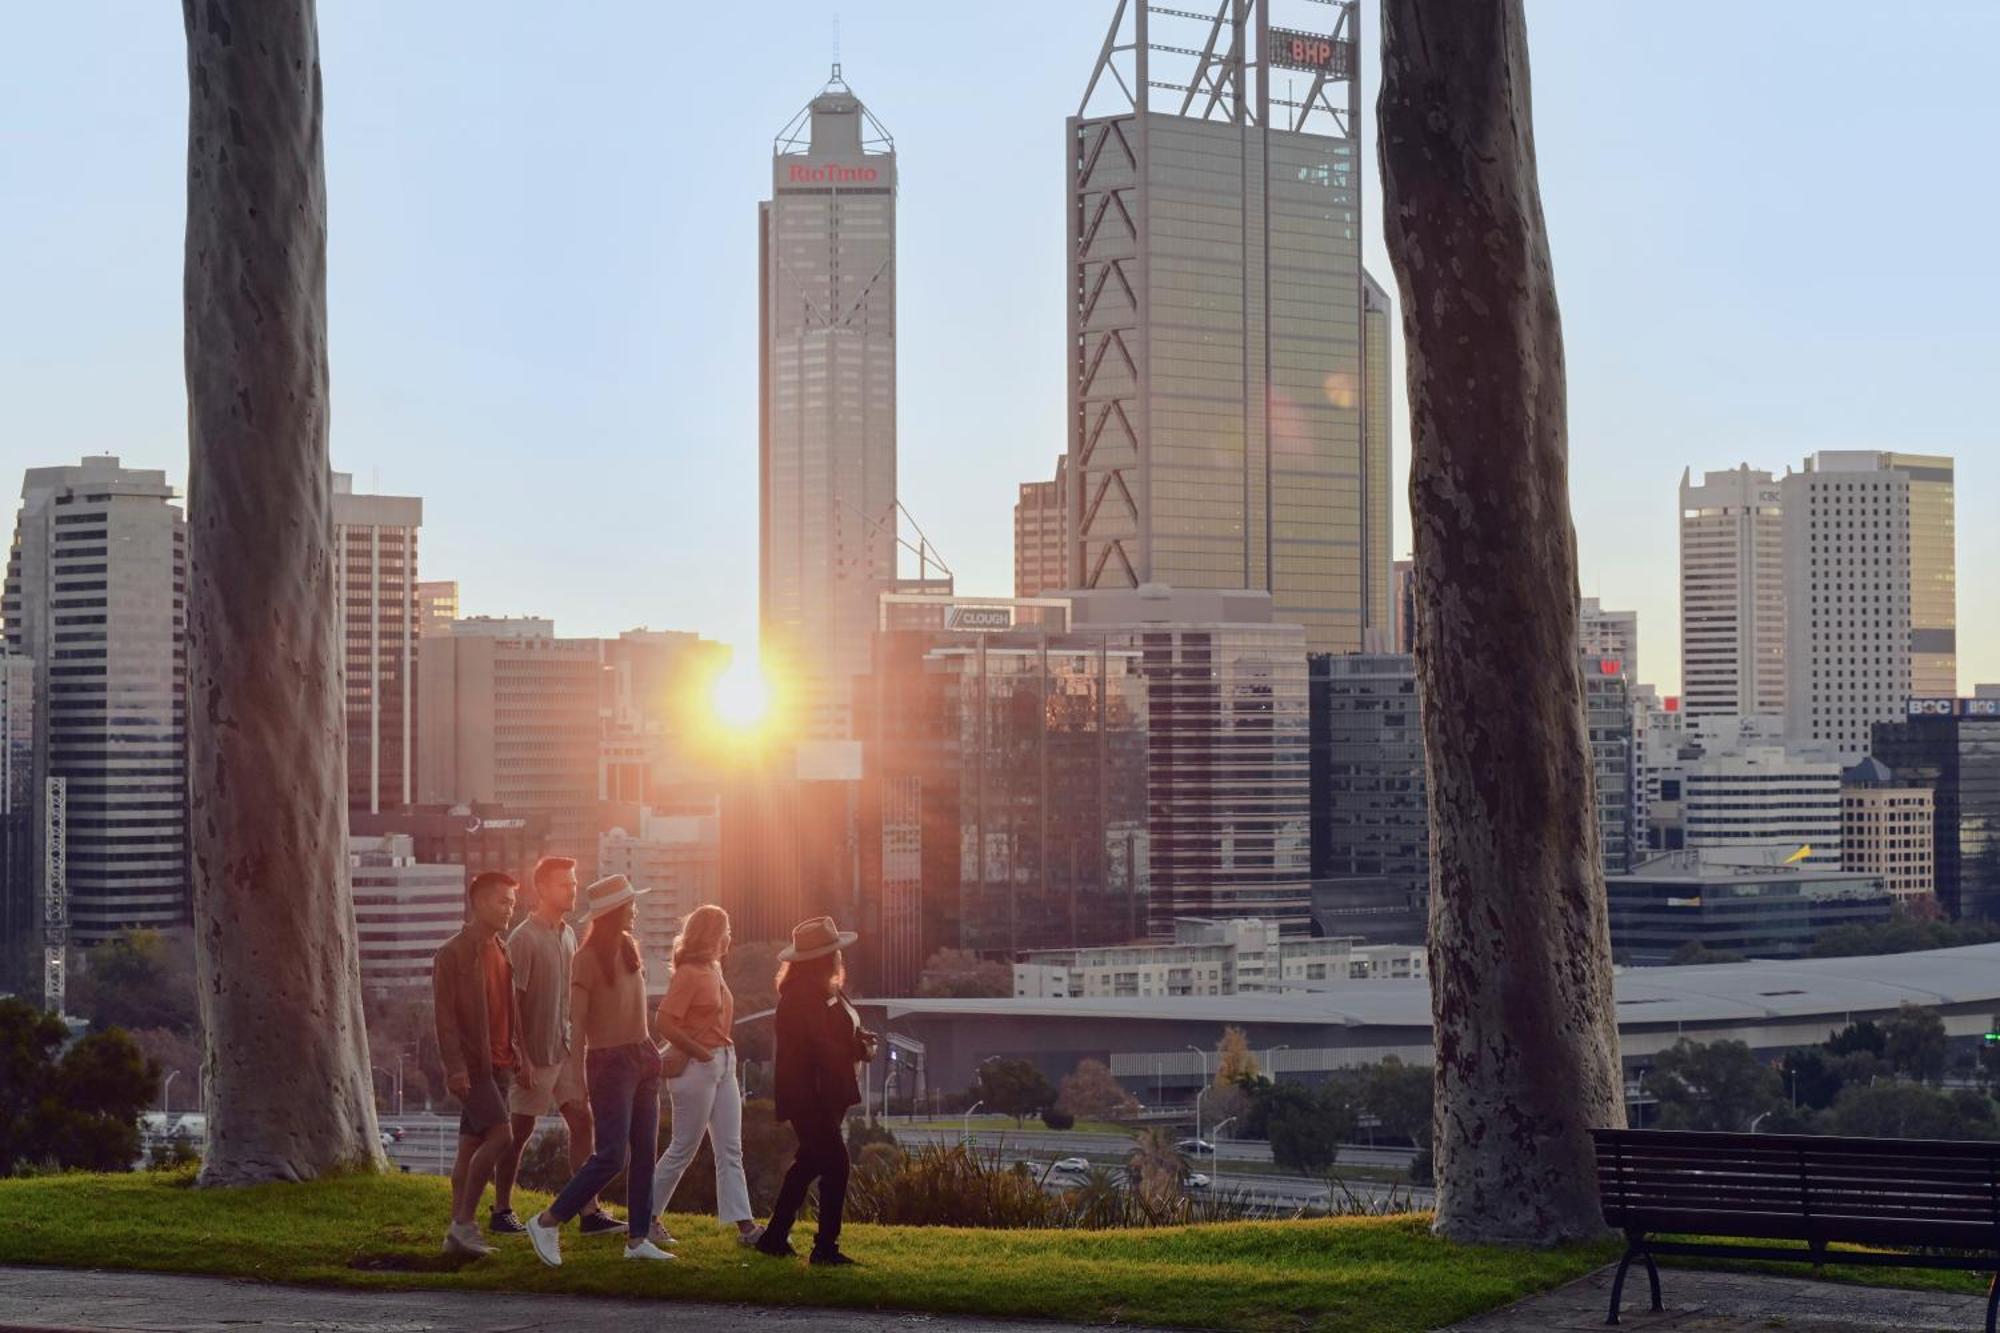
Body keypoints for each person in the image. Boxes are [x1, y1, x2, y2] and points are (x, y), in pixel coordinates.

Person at [526, 875, 673, 1265]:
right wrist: (574, 1081)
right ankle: (547, 1221)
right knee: (612, 1155)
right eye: (629, 903)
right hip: (609, 1063)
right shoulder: (586, 959)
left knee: (645, 1152)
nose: (635, 909)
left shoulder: (628, 947)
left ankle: (638, 1239)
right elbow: (577, 1023)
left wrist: (651, 1053)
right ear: (615, 911)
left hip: (643, 1055)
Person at [489, 856, 623, 1237]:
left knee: (582, 1121)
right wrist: (521, 1057)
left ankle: (588, 1210)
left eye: (574, 883)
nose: (572, 889)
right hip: (534, 1055)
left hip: (564, 1050)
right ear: (542, 889)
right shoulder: (524, 938)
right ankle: (501, 1209)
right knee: (518, 1134)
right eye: (564, 884)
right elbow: (510, 1001)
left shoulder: (567, 934)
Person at [755, 915, 877, 1266]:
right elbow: (819, 1047)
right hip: (810, 1097)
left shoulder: (827, 989)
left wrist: (858, 1040)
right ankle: (825, 1248)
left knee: (807, 1164)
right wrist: (857, 1050)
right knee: (836, 1165)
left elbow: (837, 1032)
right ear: (824, 958)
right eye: (835, 951)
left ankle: (775, 1237)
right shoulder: (799, 999)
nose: (841, 957)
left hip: (828, 1093)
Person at [649, 904, 762, 1248]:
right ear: (713, 935)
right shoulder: (689, 973)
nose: (731, 937)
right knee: (683, 1148)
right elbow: (664, 1022)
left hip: (725, 1064)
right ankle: (646, 1218)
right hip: (697, 1067)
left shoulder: (714, 967)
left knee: (730, 1149)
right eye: (726, 930)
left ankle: (746, 1227)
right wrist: (699, 1052)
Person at [431, 870, 522, 1258]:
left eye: (513, 903)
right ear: (482, 902)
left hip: (500, 1063)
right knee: (502, 1137)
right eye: (503, 902)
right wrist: (455, 1068)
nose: (509, 910)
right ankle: (465, 1224)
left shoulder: (501, 949)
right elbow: (444, 1018)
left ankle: (456, 1238)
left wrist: (517, 1051)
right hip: (474, 1067)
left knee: (469, 1147)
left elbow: (505, 1008)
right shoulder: (452, 953)